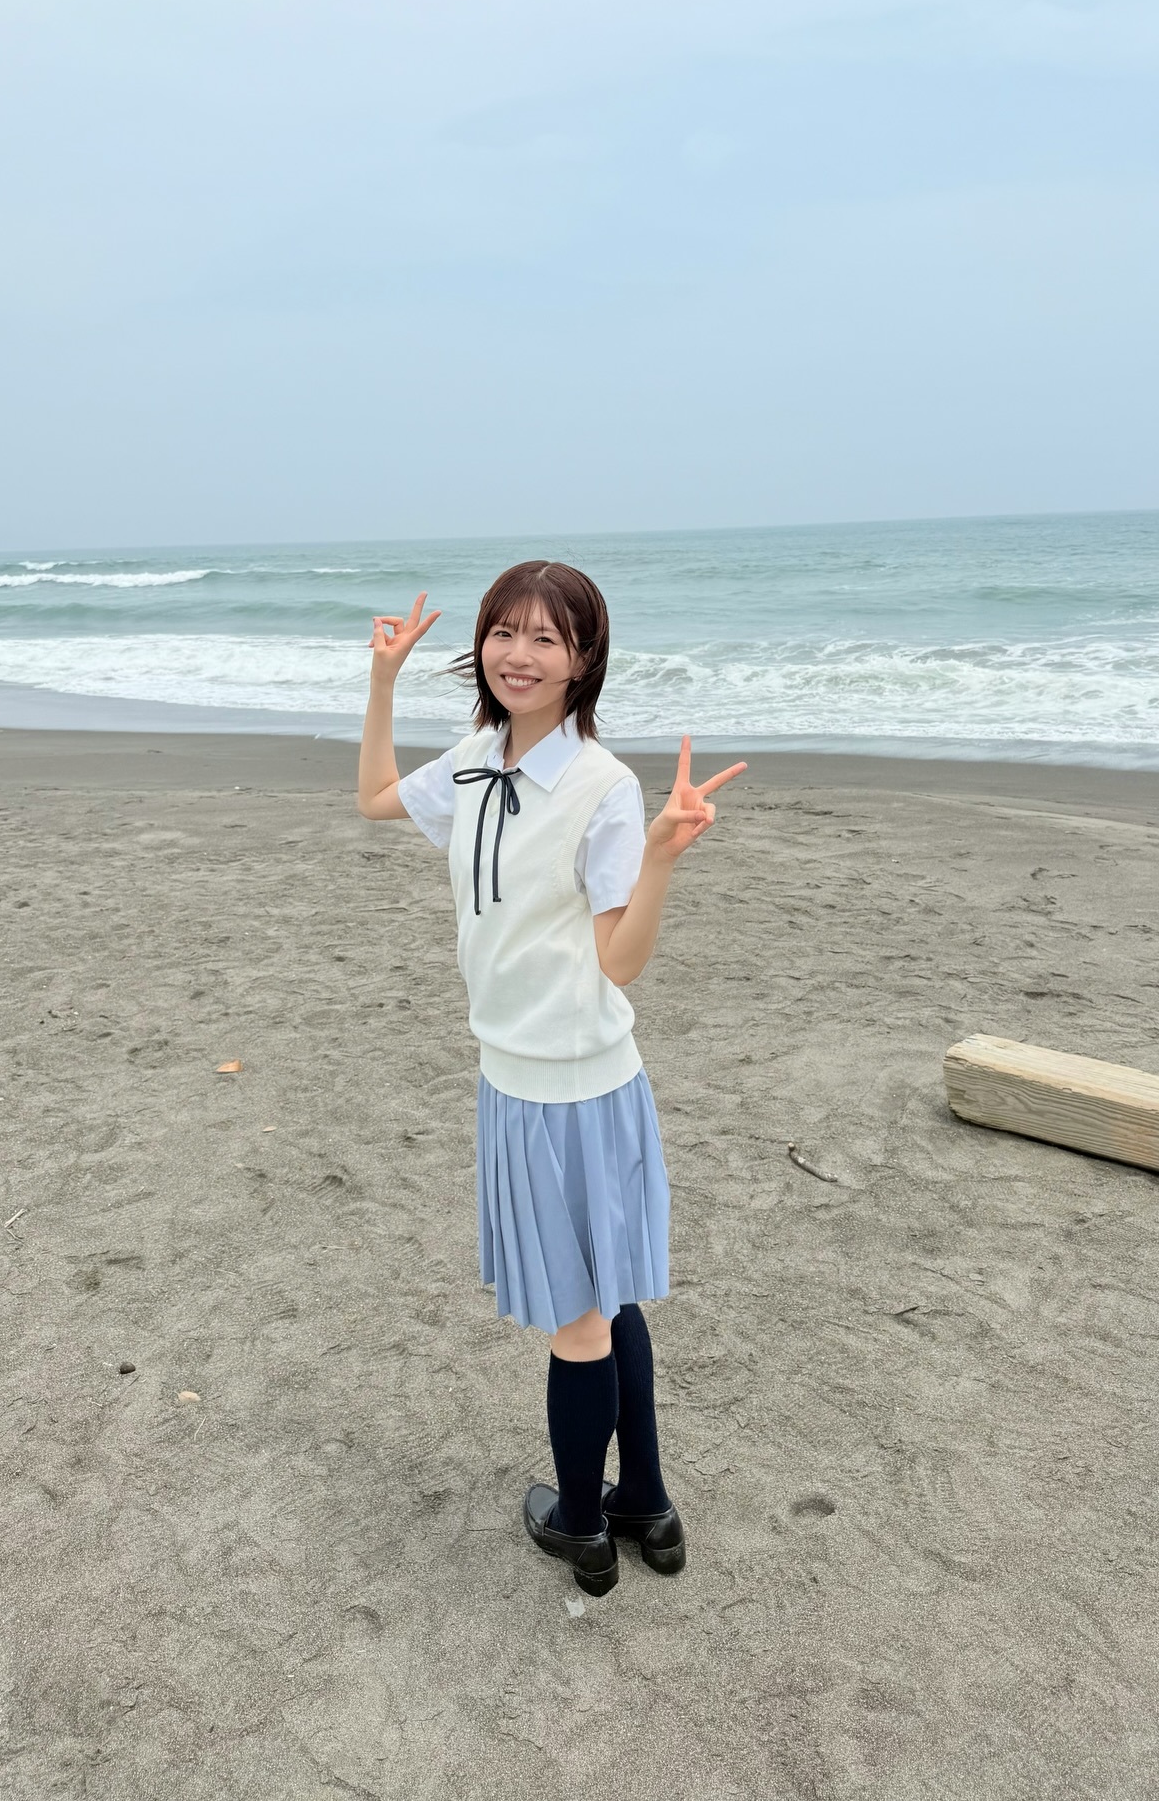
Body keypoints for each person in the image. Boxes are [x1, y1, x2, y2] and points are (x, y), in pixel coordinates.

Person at [356, 561, 745, 1597]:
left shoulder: (600, 786)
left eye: (546, 638)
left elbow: (621, 961)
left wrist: (660, 857)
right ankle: (646, 1503)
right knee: (610, 1300)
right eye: (503, 632)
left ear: (584, 660)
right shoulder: (477, 760)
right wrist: (384, 680)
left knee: (579, 1319)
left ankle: (581, 1525)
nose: (518, 655)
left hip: (572, 1085)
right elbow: (375, 798)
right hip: (518, 1068)